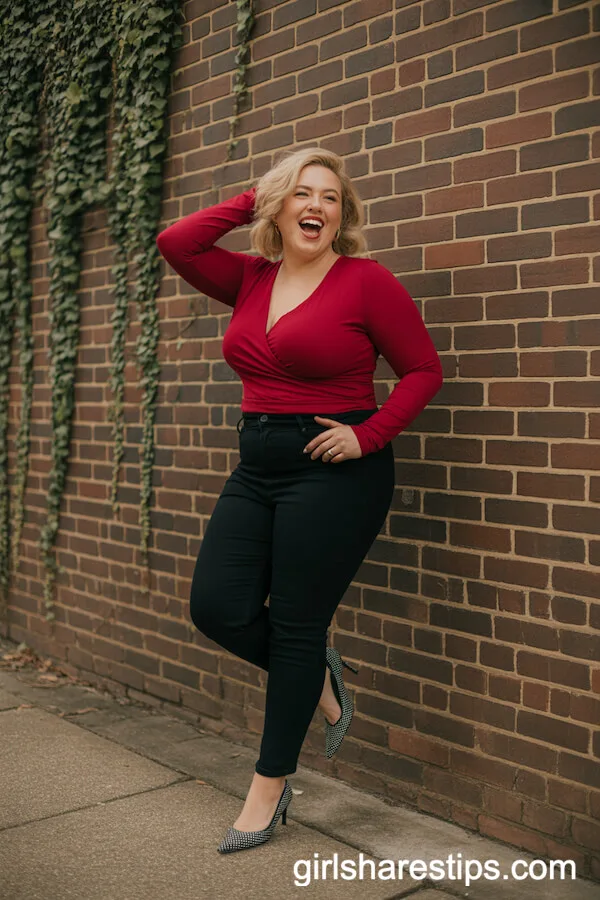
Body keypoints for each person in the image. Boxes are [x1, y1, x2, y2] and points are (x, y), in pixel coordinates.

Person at [155, 147, 443, 853]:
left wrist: (367, 436)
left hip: (333, 470)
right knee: (216, 606)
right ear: (278, 207)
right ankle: (316, 671)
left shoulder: (365, 281)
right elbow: (175, 242)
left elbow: (422, 370)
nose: (316, 207)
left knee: (294, 622)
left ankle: (268, 789)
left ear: (344, 216)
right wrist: (261, 191)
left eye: (330, 198)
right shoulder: (251, 278)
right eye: (302, 195)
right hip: (256, 463)